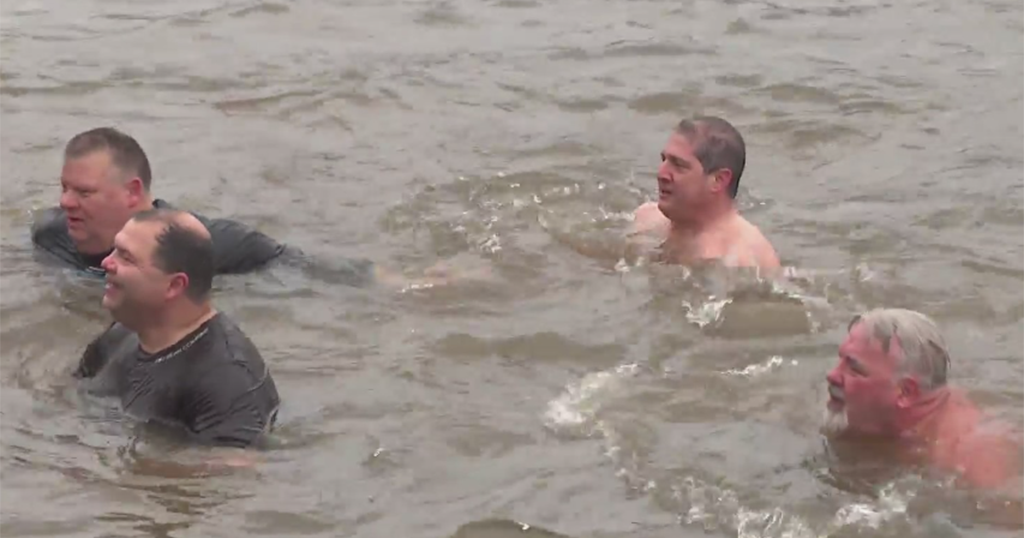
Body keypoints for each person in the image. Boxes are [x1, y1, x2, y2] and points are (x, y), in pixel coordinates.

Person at [73, 208, 280, 449]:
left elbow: (231, 475)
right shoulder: (124, 332)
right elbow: (71, 392)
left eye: (126, 257)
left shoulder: (230, 383)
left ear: (174, 285)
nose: (106, 263)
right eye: (114, 250)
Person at [823, 308, 1019, 489]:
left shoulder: (970, 459)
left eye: (854, 369)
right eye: (841, 360)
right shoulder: (856, 416)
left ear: (906, 392)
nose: (831, 375)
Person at [630, 116, 780, 273]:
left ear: (718, 180)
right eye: (664, 160)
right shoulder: (646, 220)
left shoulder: (743, 262)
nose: (661, 174)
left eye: (678, 165)